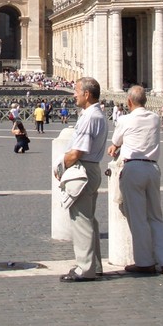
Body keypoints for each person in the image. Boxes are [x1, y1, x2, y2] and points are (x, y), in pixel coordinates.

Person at [107, 86, 163, 275]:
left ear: (129, 101)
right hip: (153, 169)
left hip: (133, 169)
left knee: (138, 218)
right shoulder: (155, 118)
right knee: (156, 216)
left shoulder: (125, 119)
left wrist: (115, 146)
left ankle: (145, 262)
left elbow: (116, 140)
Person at [54, 76, 108, 282]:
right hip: (91, 169)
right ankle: (95, 265)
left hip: (83, 170)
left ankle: (85, 268)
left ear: (87, 94)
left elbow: (78, 151)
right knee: (89, 220)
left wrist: (61, 165)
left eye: (76, 91)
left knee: (81, 221)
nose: (74, 95)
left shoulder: (89, 117)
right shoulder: (96, 114)